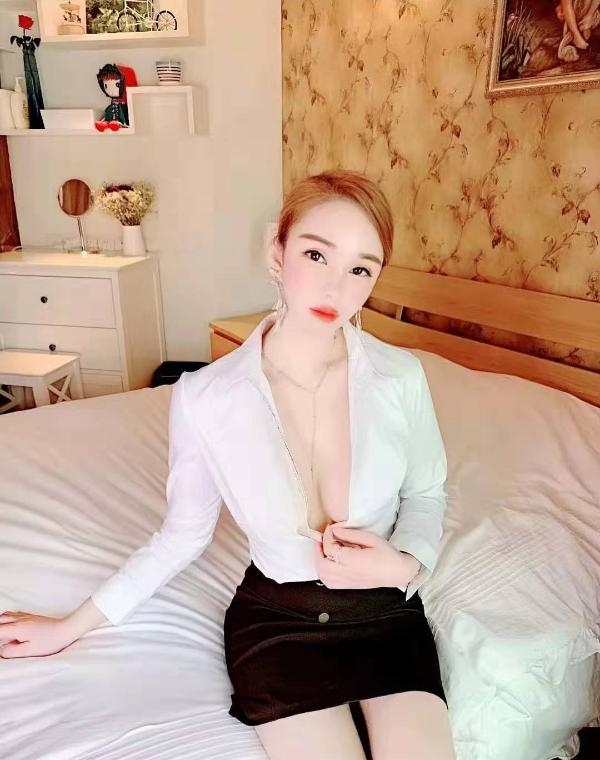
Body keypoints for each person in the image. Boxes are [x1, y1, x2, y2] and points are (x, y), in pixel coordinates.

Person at [0, 170, 455, 760]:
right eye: (316, 254)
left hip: (384, 610)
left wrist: (404, 565)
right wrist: (69, 627)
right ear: (276, 251)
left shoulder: (402, 377)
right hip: (279, 622)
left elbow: (428, 492)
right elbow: (181, 536)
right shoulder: (205, 397)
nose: (336, 287)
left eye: (361, 269)